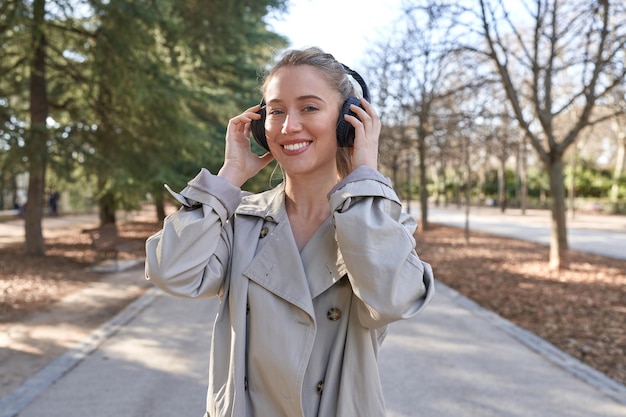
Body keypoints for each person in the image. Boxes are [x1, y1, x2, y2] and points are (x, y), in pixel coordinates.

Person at [145, 47, 435, 417]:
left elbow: (392, 299)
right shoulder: (239, 221)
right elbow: (171, 272)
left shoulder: (380, 223)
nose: (288, 126)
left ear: (349, 121)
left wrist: (364, 175)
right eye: (276, 111)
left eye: (309, 108)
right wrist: (230, 176)